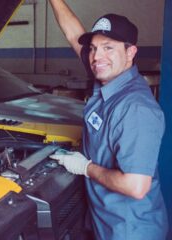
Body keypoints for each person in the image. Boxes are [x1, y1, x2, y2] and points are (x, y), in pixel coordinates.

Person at [48, 1, 169, 239]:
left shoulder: (135, 108)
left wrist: (85, 167)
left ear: (130, 52)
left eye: (108, 48)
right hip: (105, 223)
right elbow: (74, 35)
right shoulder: (109, 78)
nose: (96, 57)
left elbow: (136, 186)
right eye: (93, 48)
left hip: (130, 231)